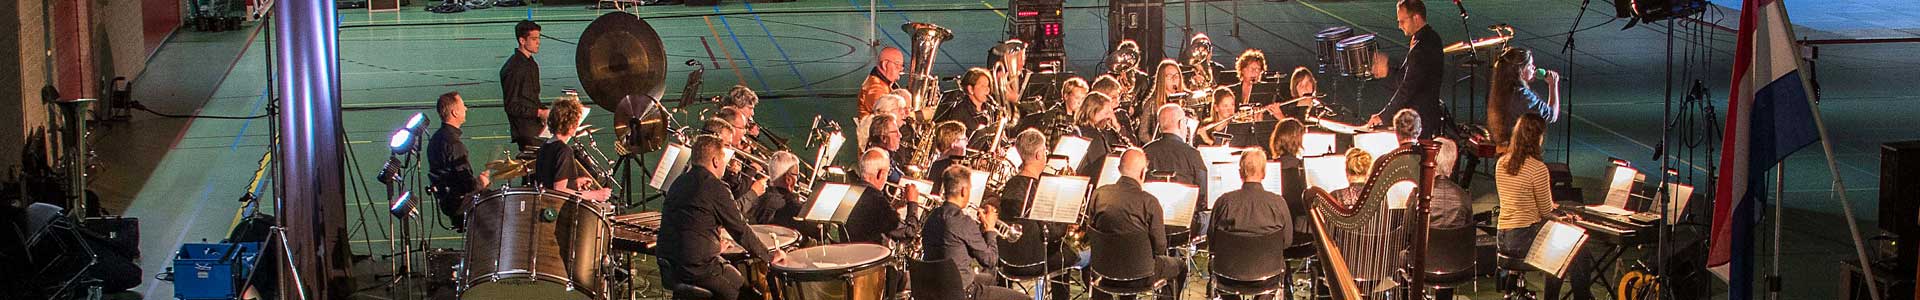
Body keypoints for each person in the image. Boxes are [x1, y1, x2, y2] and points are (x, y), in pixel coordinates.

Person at [657, 135, 787, 300]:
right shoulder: (715, 187)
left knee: (729, 272)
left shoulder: (678, 183)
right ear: (716, 161)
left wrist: (712, 247)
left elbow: (688, 228)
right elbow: (740, 229)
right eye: (723, 159)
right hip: (698, 269)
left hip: (670, 266)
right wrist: (768, 256)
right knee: (752, 297)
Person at [1495, 113, 1590, 299]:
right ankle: (1580, 297)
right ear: (1537, 138)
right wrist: (1564, 216)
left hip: (1503, 238)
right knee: (1575, 249)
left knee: (1558, 246)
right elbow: (1546, 211)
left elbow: (1518, 198)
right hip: (1523, 237)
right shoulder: (1537, 169)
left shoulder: (1501, 163)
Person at [1086, 149, 1187, 299]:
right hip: (1141, 275)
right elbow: (1160, 247)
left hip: (1105, 270)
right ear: (1142, 173)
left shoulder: (1099, 194)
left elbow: (1091, 231)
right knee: (1180, 266)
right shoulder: (1149, 202)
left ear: (1119, 169)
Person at [921, 165, 1030, 300]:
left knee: (989, 279)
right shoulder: (963, 221)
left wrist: (980, 230)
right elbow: (990, 260)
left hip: (936, 288)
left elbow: (956, 247)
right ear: (963, 191)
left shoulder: (932, 217)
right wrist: (990, 229)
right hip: (963, 293)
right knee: (1025, 299)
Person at [996, 129, 1080, 299]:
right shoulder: (1038, 189)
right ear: (1038, 154)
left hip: (1007, 260)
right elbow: (1051, 233)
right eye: (1045, 151)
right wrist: (1066, 224)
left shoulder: (1009, 185)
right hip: (1033, 262)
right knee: (1074, 254)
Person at [1368, 0, 1448, 139]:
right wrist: (1387, 71)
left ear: (1416, 18)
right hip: (1419, 117)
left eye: (1402, 21)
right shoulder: (1422, 39)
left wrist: (1383, 116)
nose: (1399, 26)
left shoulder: (1424, 45)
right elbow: (1405, 78)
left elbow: (1408, 86)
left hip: (1421, 121)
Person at [427, 92, 491, 230]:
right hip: (461, 203)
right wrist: (480, 183)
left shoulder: (436, 138)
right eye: (463, 106)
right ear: (455, 112)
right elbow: (467, 186)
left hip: (447, 201)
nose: (466, 109)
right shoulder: (454, 144)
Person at [531, 96, 612, 201]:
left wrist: (574, 183)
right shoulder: (564, 150)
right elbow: (559, 190)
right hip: (559, 211)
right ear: (571, 125)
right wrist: (594, 195)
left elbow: (549, 183)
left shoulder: (546, 145)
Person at [1488, 47, 1563, 148]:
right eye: (1530, 65)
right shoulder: (1523, 95)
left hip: (1503, 147)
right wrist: (1553, 85)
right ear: (1520, 70)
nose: (1534, 67)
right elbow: (1551, 115)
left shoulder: (1501, 90)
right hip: (1519, 151)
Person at [845, 148, 921, 245]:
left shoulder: (850, 191)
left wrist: (893, 208)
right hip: (871, 256)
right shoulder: (876, 201)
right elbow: (909, 233)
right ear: (880, 174)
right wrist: (913, 203)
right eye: (887, 173)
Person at [1210, 149, 1292, 237]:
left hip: (1233, 250)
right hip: (1268, 251)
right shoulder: (1278, 203)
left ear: (1240, 173)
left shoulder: (1223, 202)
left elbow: (1212, 240)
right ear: (1264, 173)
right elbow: (1287, 240)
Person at [1144, 104, 1210, 208]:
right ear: (1180, 124)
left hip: (1151, 214)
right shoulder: (1192, 154)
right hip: (1184, 215)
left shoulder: (1145, 151)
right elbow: (1203, 194)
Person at [501, 20, 549, 151]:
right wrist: (539, 113)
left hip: (535, 125)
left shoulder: (531, 64)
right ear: (522, 41)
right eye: (534, 39)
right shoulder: (514, 68)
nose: (538, 42)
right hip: (526, 131)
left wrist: (546, 112)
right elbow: (511, 106)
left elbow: (532, 98)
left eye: (538, 38)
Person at [1075, 92, 1126, 176]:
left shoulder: (1103, 131)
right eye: (1106, 113)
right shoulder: (1092, 135)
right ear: (1092, 113)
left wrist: (1116, 126)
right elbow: (1101, 166)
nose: (1110, 116)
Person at [1138, 60, 1185, 141]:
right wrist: (1158, 144)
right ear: (1162, 79)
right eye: (1170, 76)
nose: (1174, 79)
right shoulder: (1151, 103)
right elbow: (1143, 133)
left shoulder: (1186, 100)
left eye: (1176, 76)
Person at [860, 47, 906, 117]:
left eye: (902, 65)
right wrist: (917, 115)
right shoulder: (875, 89)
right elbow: (890, 118)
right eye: (897, 64)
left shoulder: (886, 82)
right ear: (885, 65)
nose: (901, 69)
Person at [927, 121, 970, 194]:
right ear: (954, 143)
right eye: (964, 139)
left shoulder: (943, 163)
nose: (967, 142)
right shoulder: (942, 166)